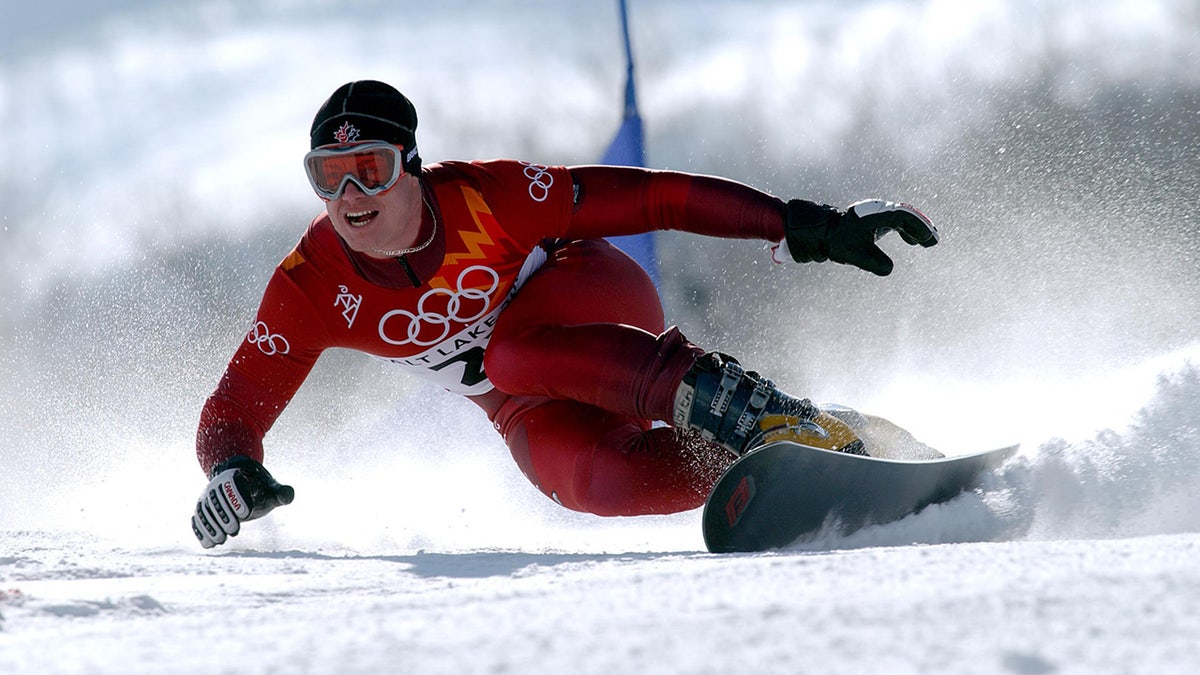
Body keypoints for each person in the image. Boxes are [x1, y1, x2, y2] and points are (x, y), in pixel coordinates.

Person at [190, 80, 939, 548]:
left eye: (371, 170)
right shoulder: (310, 284)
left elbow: (655, 197)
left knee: (512, 350)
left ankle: (761, 413)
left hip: (594, 300)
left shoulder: (490, 195)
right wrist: (231, 468)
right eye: (329, 177)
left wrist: (800, 223)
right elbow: (235, 404)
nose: (351, 198)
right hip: (519, 397)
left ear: (412, 165)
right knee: (594, 482)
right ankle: (780, 452)